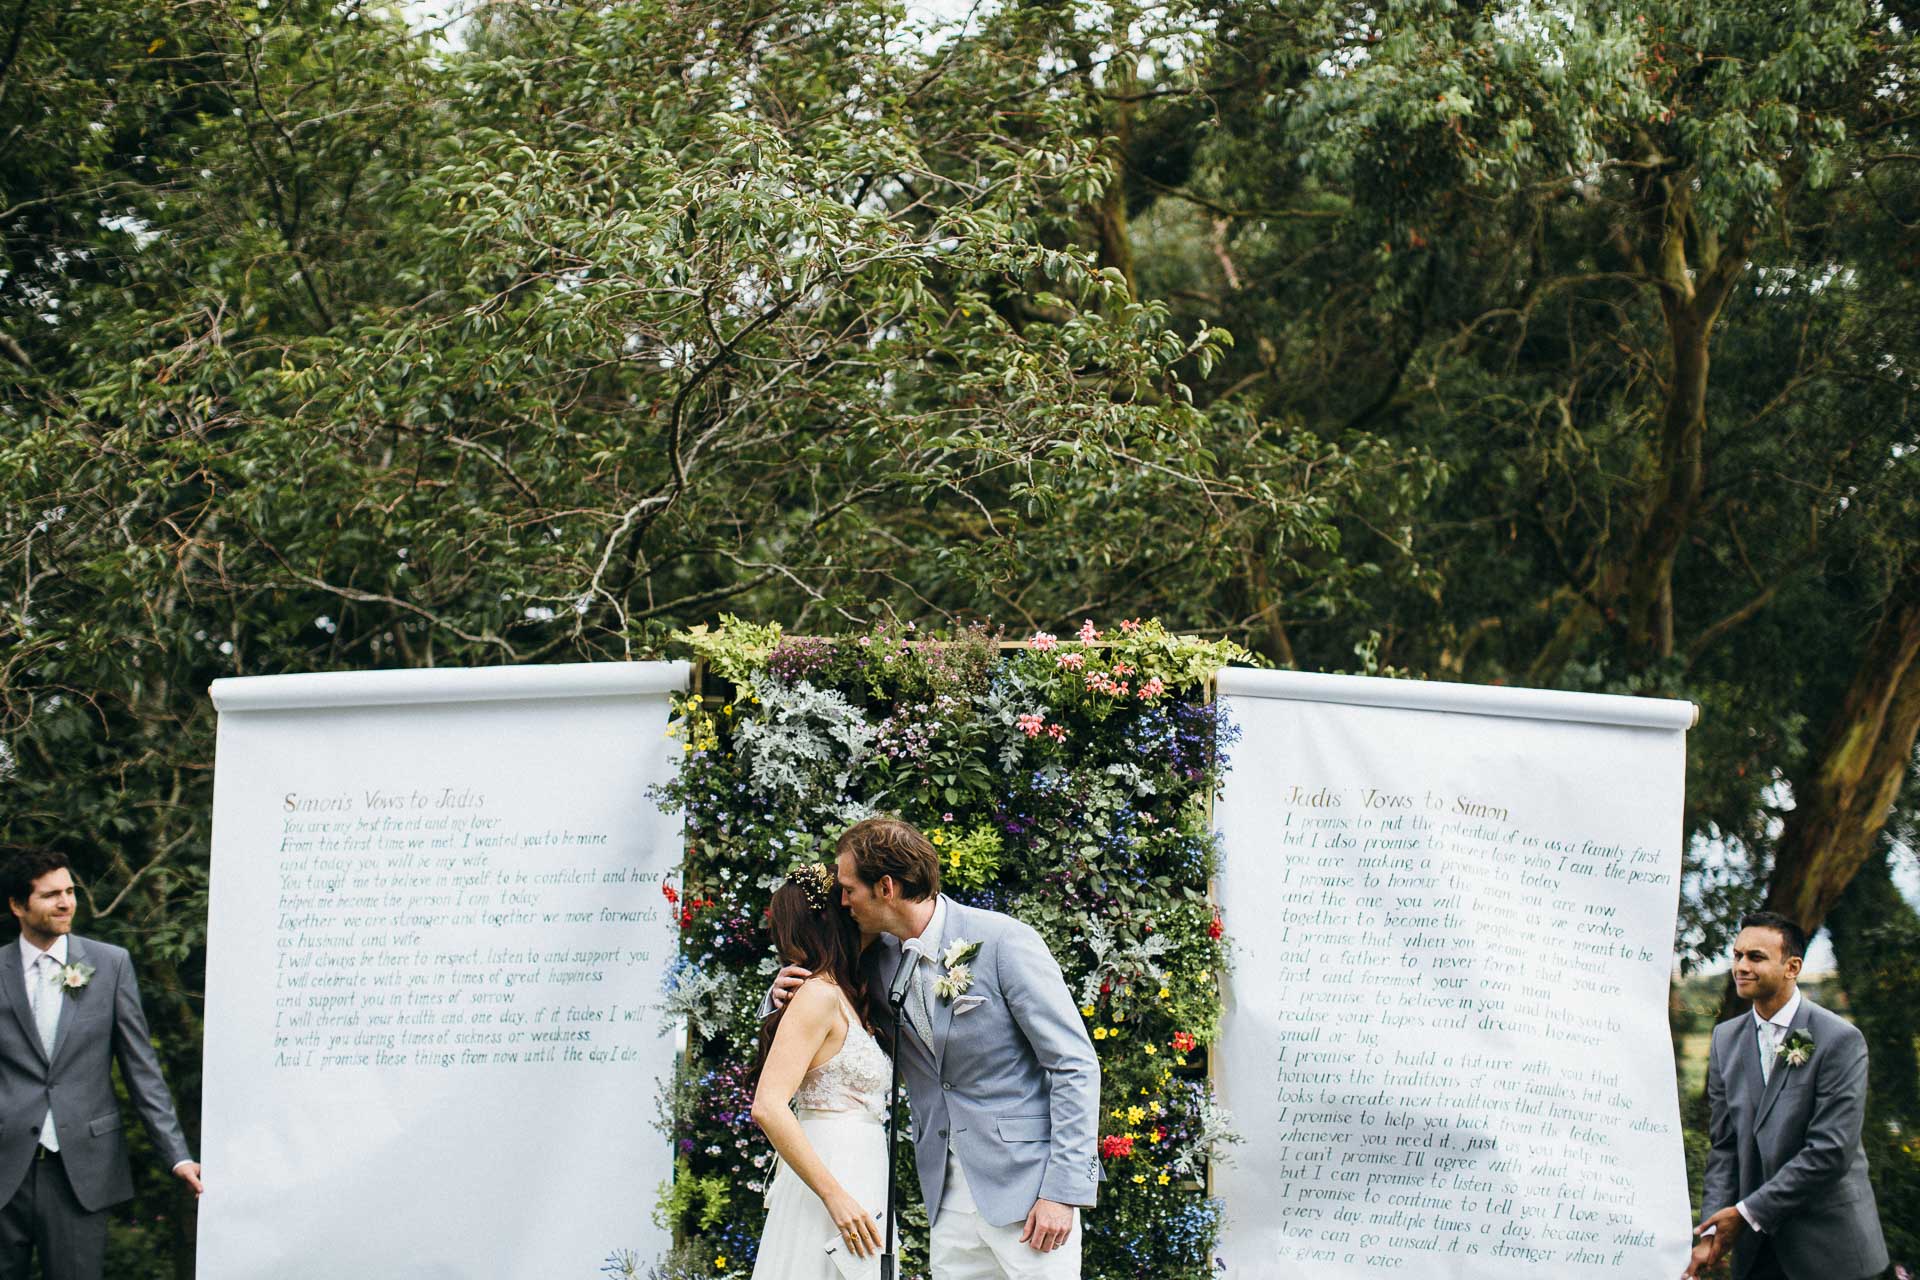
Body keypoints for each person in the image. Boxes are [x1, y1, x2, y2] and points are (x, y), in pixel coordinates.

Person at [771, 815, 1100, 1280]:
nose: (841, 901)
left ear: (885, 887)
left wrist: (1063, 1191)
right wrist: (779, 992)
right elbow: (830, 1005)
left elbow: (1075, 1065)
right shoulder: (877, 961)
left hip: (1029, 1192)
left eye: (849, 889)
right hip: (945, 1195)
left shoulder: (1005, 941)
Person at [0, 849, 200, 1280]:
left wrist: (177, 1155)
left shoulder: (110, 965)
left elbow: (141, 1067)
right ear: (18, 905)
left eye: (70, 891)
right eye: (51, 895)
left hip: (80, 1172)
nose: (67, 903)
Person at [1684, 910, 1887, 1280]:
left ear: (1792, 966)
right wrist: (1711, 1231)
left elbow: (1831, 1150)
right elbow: (1725, 1147)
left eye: (1755, 957)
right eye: (1737, 955)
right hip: (1756, 1255)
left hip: (1828, 1250)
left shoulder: (1838, 1039)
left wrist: (1745, 1214)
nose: (1741, 966)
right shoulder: (1725, 1039)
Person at [749, 865, 891, 1280]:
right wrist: (835, 1197)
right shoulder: (818, 995)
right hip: (830, 1174)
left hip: (861, 1166)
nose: (856, 906)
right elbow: (768, 1106)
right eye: (845, 898)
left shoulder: (847, 993)